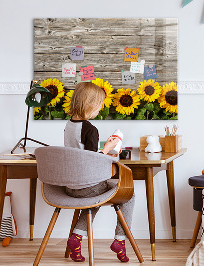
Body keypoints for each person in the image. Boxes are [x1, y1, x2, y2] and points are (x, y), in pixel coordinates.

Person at [64, 82, 135, 263]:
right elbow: (92, 160)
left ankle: (77, 238)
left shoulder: (69, 125)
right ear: (90, 105)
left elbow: (81, 154)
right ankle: (120, 240)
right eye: (99, 106)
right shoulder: (90, 129)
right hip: (87, 186)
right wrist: (108, 148)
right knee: (129, 194)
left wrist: (105, 150)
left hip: (70, 186)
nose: (100, 109)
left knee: (94, 198)